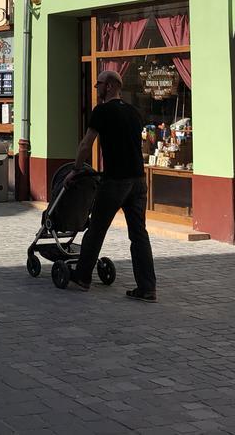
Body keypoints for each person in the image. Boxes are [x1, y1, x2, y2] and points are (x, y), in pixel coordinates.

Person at [67, 70, 158, 301]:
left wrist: (76, 170)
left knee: (96, 228)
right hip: (138, 181)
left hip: (115, 180)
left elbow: (87, 144)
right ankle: (147, 288)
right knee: (139, 234)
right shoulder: (134, 112)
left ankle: (82, 276)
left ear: (108, 86)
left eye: (98, 85)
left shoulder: (102, 111)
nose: (96, 89)